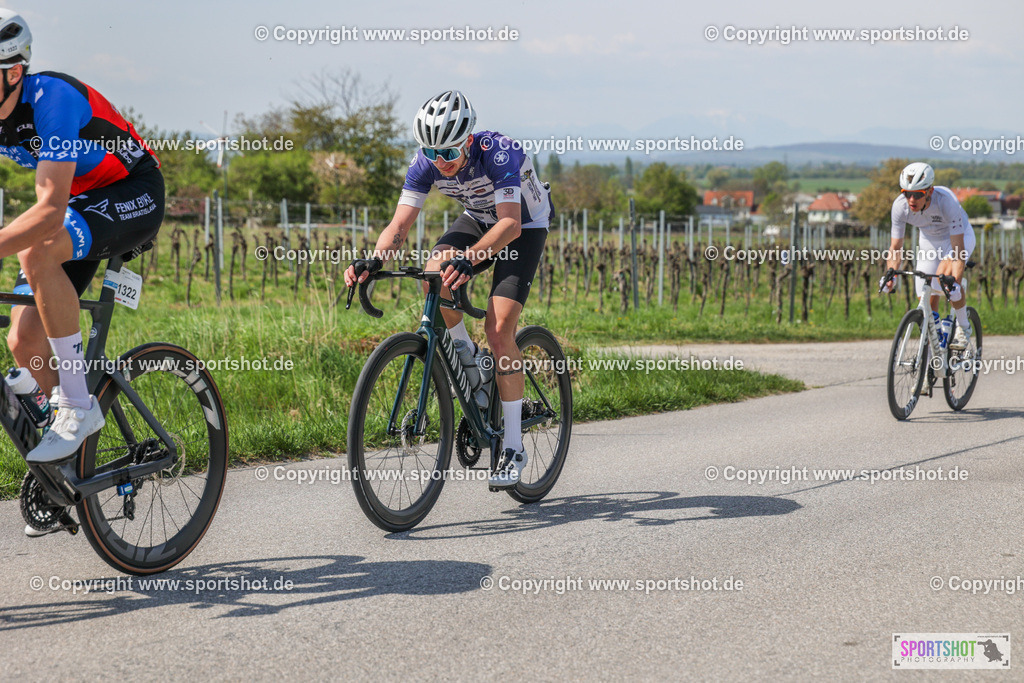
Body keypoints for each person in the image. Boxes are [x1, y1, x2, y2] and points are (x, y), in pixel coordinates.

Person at [345, 89, 553, 489]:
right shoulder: (426, 161)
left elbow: (509, 225)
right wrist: (374, 260)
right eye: (431, 152)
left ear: (468, 139)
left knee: (499, 329)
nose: (440, 162)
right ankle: (465, 355)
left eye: (448, 153)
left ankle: (512, 446)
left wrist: (471, 258)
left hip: (523, 226)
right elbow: (400, 225)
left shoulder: (499, 153)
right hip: (478, 218)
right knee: (433, 271)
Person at [0, 10, 164, 479]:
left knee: (38, 246)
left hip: (133, 191)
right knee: (23, 338)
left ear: (13, 73)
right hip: (81, 201)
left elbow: (50, 210)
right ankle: (67, 470)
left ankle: (78, 404)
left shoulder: (54, 99)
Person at [880, 162, 975, 349]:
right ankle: (936, 339)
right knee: (924, 291)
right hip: (929, 240)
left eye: (917, 194)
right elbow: (895, 247)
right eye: (906, 193)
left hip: (956, 238)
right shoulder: (900, 207)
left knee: (943, 279)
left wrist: (955, 280)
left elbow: (957, 252)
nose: (911, 199)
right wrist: (891, 273)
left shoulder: (947, 202)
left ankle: (963, 327)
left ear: (929, 192)